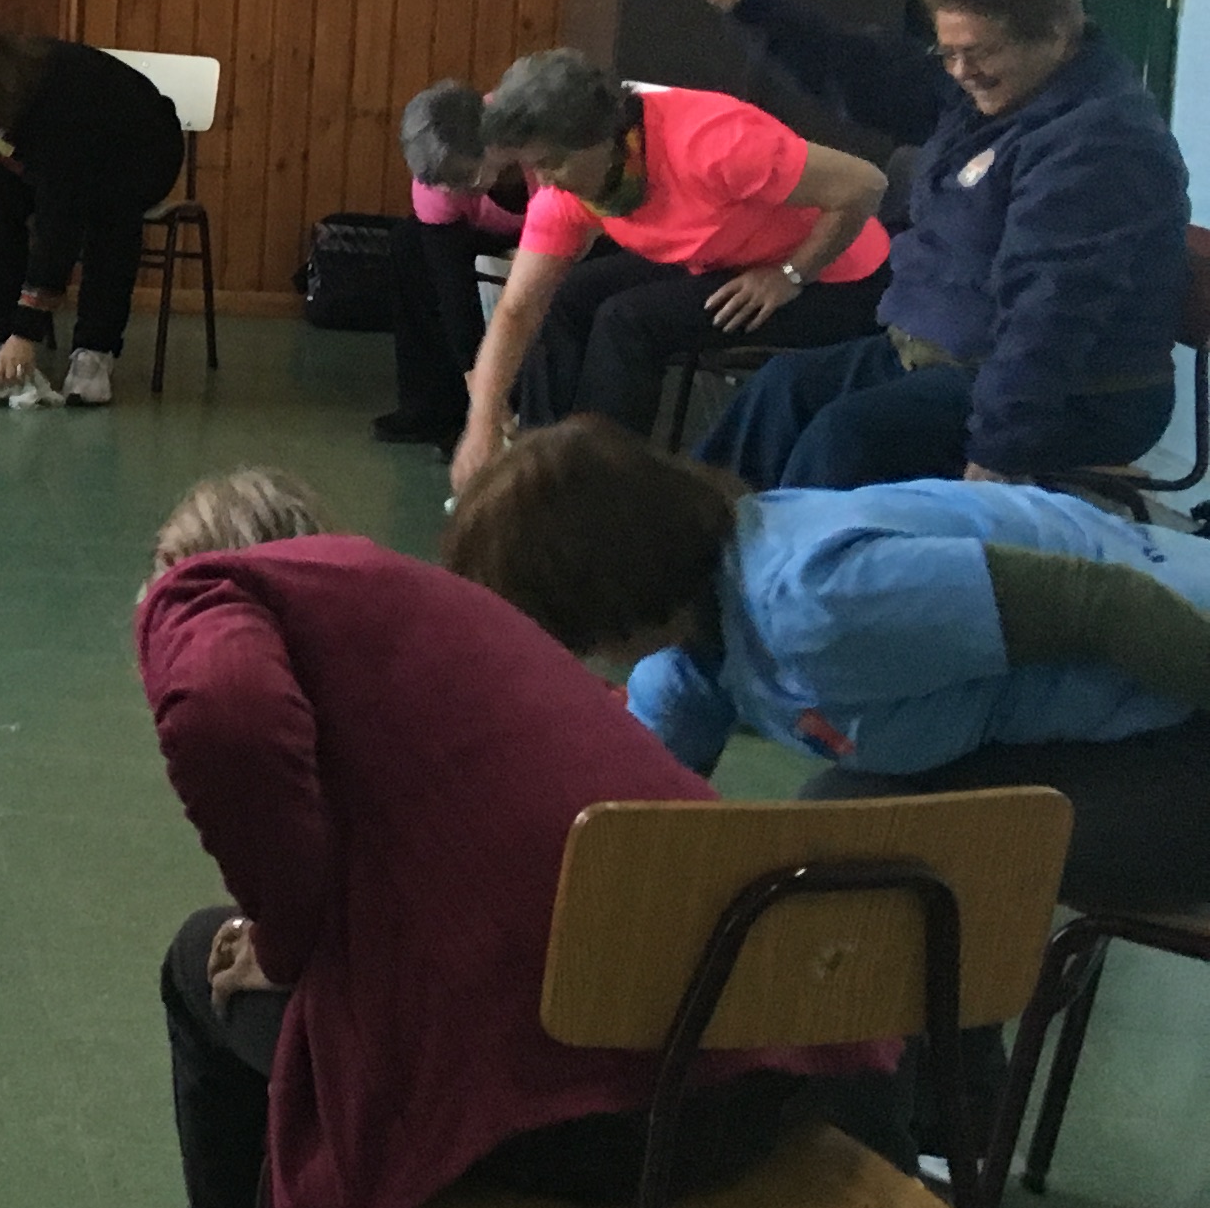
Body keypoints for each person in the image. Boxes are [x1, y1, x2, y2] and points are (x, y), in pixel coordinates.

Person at [77, 471, 875, 1208]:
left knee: (217, 970)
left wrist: (282, 936)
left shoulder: (210, 595)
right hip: (755, 1097)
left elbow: (226, 713)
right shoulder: (444, 627)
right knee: (362, 1014)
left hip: (574, 1120)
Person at [442, 418, 1210, 919]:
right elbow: (630, 809)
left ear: (609, 600)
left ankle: (934, 1097)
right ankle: (934, 1093)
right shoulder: (692, 641)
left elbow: (1104, 604)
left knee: (878, 865)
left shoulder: (819, 605)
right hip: (1104, 726)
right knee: (845, 835)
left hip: (1184, 702)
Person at [683, 0, 1192, 489]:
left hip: (1076, 391)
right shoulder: (994, 96)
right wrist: (756, 6)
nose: (961, 71)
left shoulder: (1102, 145)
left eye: (979, 52)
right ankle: (692, 529)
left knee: (845, 436)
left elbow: (1051, 310)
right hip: (937, 352)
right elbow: (866, 74)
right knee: (779, 389)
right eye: (947, 52)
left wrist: (1001, 447)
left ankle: (790, 548)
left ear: (1055, 34)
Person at [447, 50, 890, 496]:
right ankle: (538, 474)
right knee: (571, 296)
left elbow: (865, 184)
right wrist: (481, 421)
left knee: (628, 321)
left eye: (551, 162)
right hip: (726, 257)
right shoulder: (571, 190)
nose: (544, 180)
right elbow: (519, 308)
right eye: (533, 165)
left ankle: (600, 492)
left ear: (598, 138)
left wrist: (790, 275)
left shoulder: (712, 143)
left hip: (837, 277)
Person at [0, 26, 185, 409]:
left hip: (141, 152)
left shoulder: (59, 100)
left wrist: (27, 331)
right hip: (60, 159)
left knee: (107, 212)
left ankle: (95, 350)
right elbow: (14, 160)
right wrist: (11, 330)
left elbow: (60, 219)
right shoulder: (3, 100)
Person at [373, 81, 530, 446]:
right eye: (446, 184)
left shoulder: (530, 141)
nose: (456, 190)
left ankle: (533, 410)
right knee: (407, 244)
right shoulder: (436, 185)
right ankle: (435, 408)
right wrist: (478, 386)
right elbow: (453, 290)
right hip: (478, 231)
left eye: (463, 178)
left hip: (555, 228)